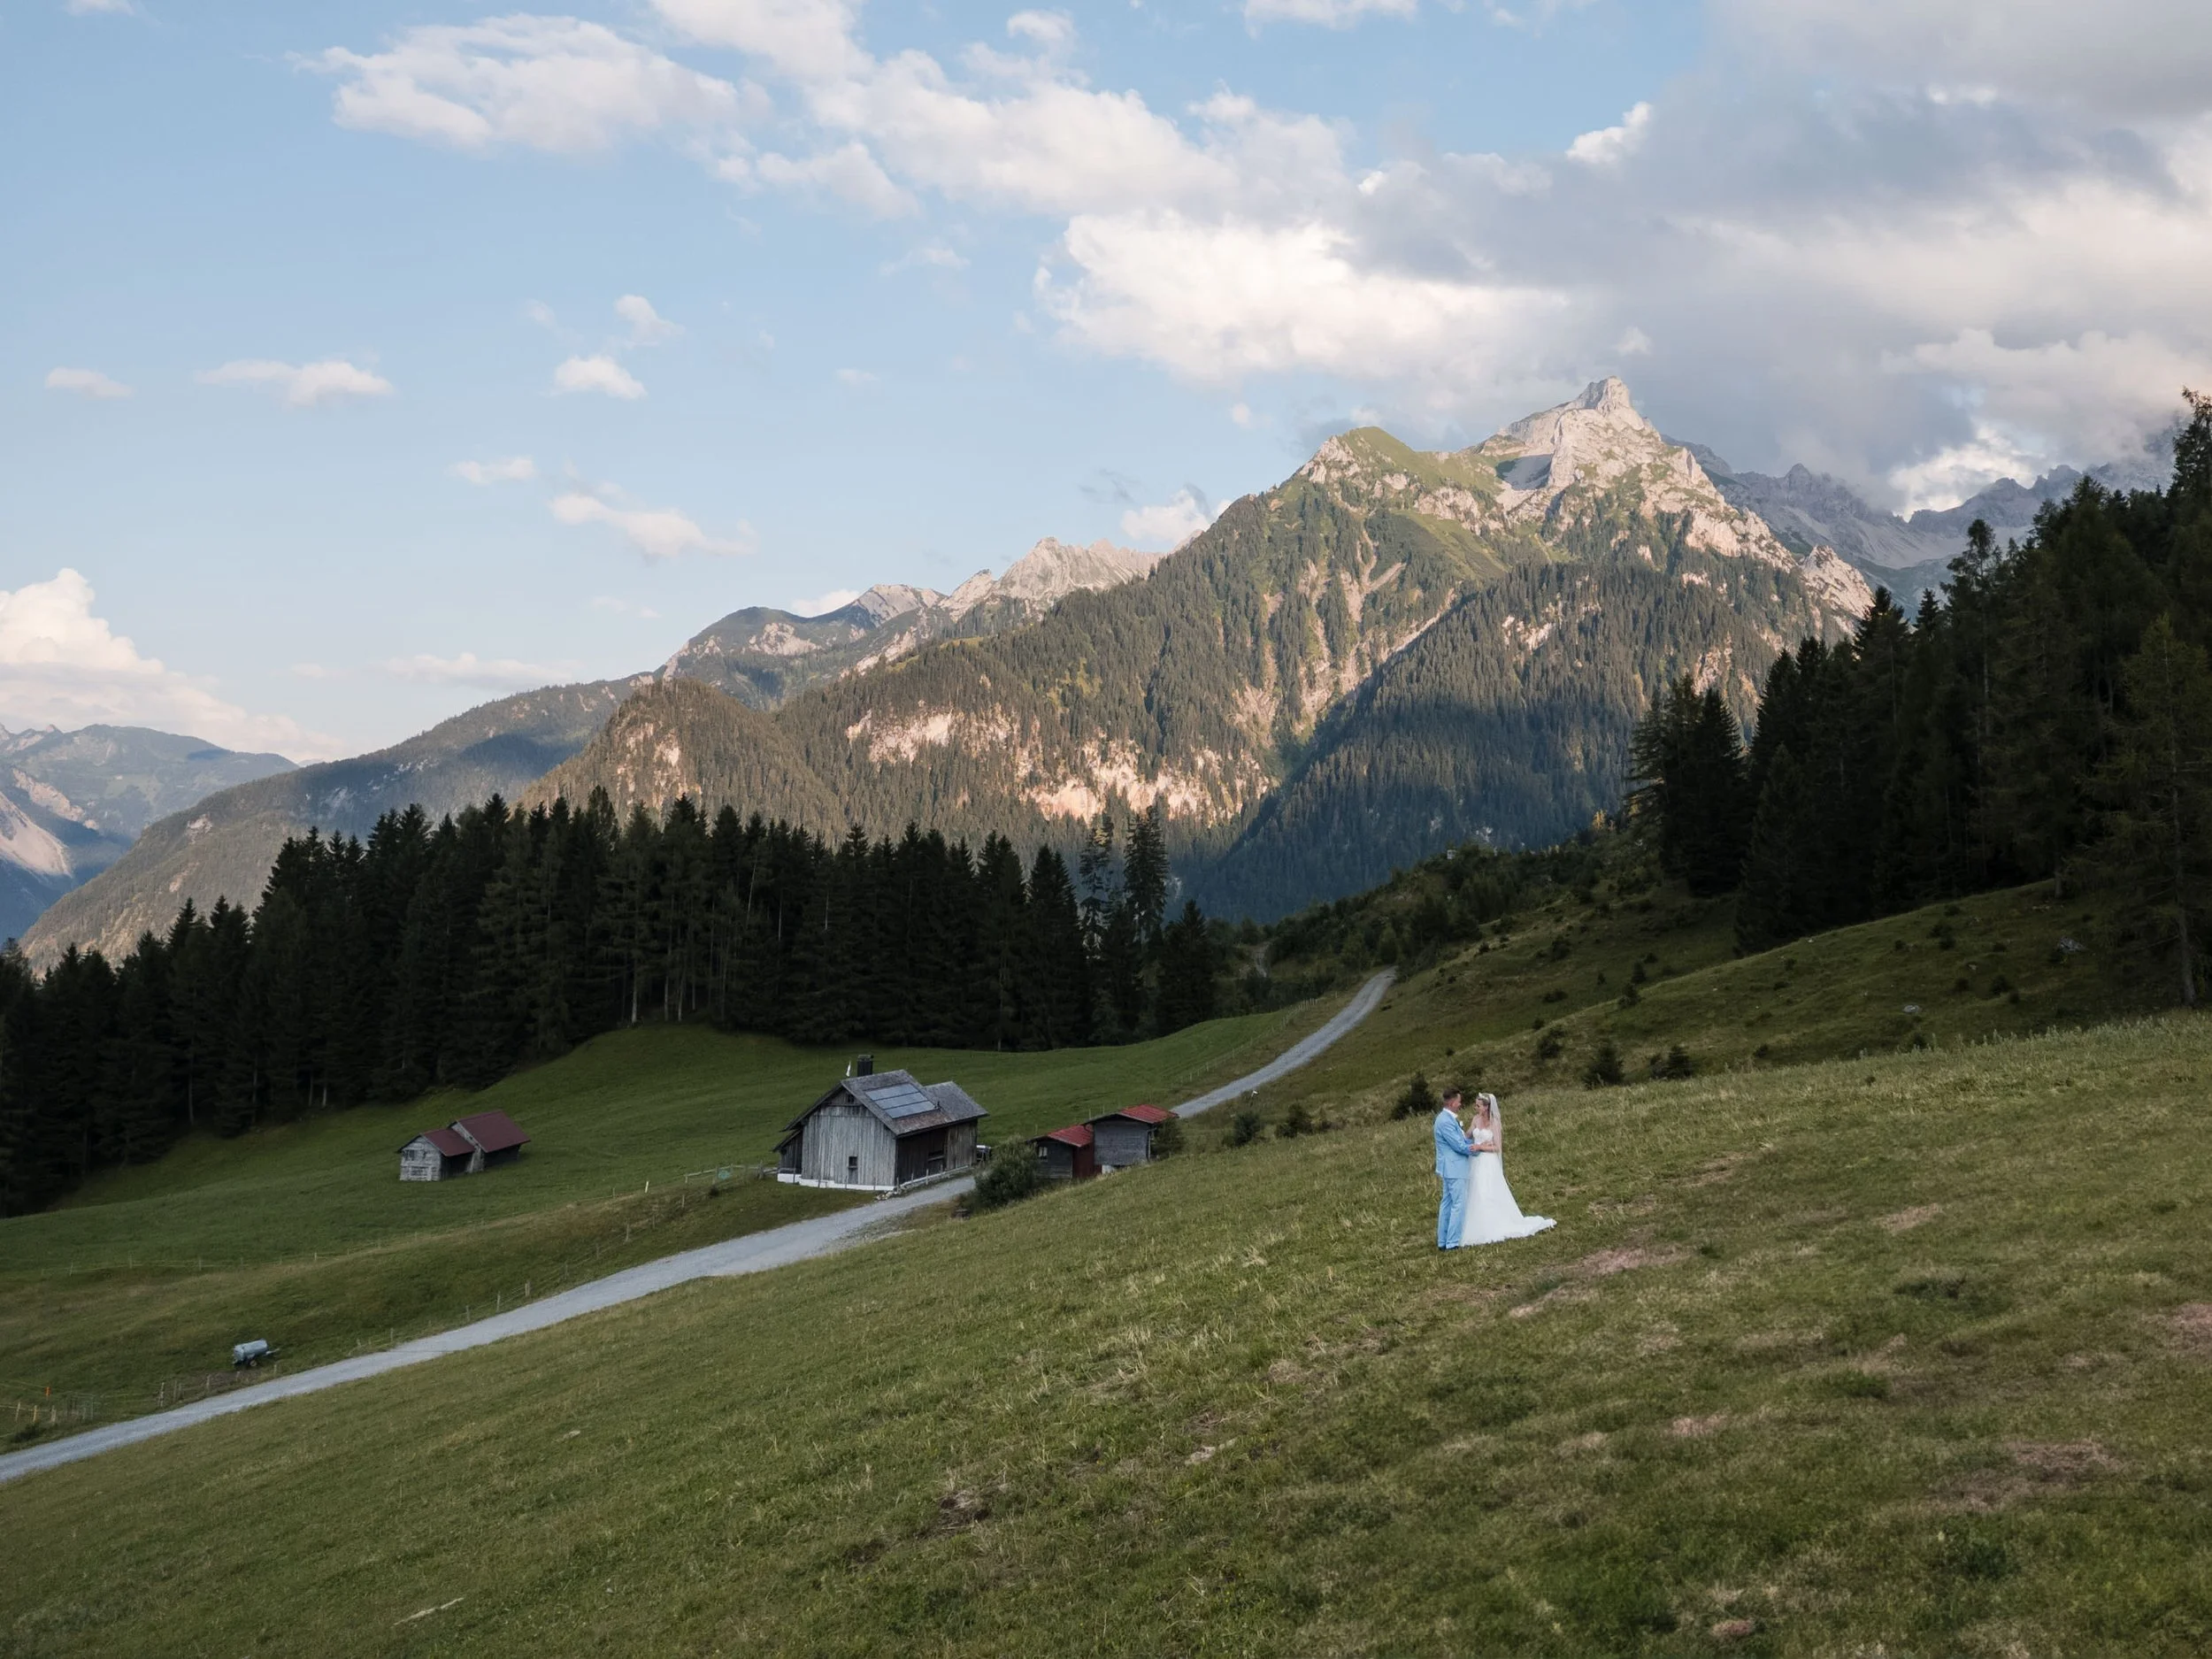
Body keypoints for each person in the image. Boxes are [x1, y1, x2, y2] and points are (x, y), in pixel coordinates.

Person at [1460, 1091, 1555, 1246]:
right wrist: (1460, 1132)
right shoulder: (1475, 1119)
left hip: (1488, 1161)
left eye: (1478, 1105)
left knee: (1487, 1190)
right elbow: (1469, 1135)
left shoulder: (1495, 1123)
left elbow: (1497, 1147)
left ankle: (1494, 1222)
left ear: (1486, 1107)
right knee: (1475, 1190)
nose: (1475, 1107)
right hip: (1475, 1162)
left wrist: (1481, 1146)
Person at [1432, 1087, 1474, 1249]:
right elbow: (1459, 1145)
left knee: (1448, 1203)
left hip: (1449, 1168)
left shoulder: (1447, 1119)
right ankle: (1452, 1242)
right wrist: (1478, 1147)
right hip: (1454, 1168)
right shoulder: (1444, 1121)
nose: (1460, 1104)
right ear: (1451, 1102)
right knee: (1458, 1204)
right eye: (1458, 1101)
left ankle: (1443, 1241)